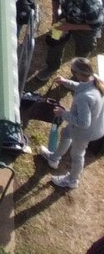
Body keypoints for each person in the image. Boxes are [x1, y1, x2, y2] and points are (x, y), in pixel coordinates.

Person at [33, 56, 104, 189]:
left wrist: (63, 113)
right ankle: (54, 159)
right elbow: (80, 86)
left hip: (85, 132)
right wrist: (65, 82)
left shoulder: (84, 98)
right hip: (95, 125)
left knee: (77, 155)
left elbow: (83, 123)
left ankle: (72, 181)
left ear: (78, 73)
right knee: (65, 134)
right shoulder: (94, 79)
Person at [37, 0, 104, 80]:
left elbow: (95, 25)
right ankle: (51, 67)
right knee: (55, 42)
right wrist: (55, 16)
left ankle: (78, 75)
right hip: (66, 16)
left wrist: (70, 26)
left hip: (86, 27)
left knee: (84, 50)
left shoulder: (92, 3)